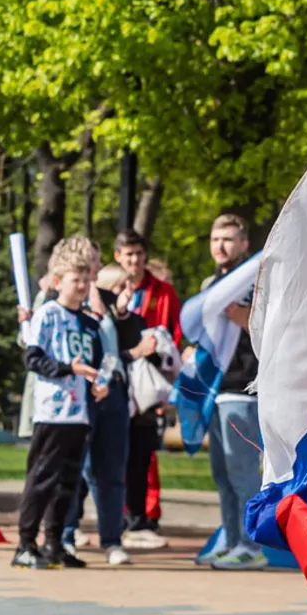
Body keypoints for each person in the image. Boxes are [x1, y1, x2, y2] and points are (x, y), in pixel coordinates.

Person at [15, 237, 108, 569]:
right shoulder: (47, 315)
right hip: (52, 413)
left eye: (87, 279)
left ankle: (54, 543)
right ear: (57, 282)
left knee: (69, 482)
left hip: (80, 415)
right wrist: (70, 368)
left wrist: (100, 384)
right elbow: (34, 358)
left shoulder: (90, 323)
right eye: (75, 279)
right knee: (43, 478)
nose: (82, 285)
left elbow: (100, 363)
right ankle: (25, 543)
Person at [63, 264, 148, 566]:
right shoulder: (77, 305)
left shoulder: (118, 313)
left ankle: (112, 539)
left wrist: (121, 313)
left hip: (114, 392)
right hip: (85, 390)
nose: (128, 292)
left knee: (111, 471)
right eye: (122, 286)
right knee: (75, 470)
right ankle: (66, 536)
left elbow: (133, 342)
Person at [198, 214, 265, 570]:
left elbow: (268, 328)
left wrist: (241, 313)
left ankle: (251, 547)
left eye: (228, 239)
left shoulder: (255, 281)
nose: (220, 246)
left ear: (243, 245)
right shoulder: (212, 282)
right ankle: (232, 539)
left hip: (244, 390)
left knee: (242, 473)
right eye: (215, 239)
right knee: (222, 474)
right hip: (215, 391)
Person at [114, 229, 179, 550]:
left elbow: (174, 338)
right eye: (128, 255)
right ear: (119, 257)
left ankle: (144, 516)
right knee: (112, 454)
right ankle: (116, 516)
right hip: (116, 380)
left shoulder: (162, 292)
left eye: (139, 254)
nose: (134, 261)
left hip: (148, 385)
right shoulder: (108, 290)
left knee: (144, 454)